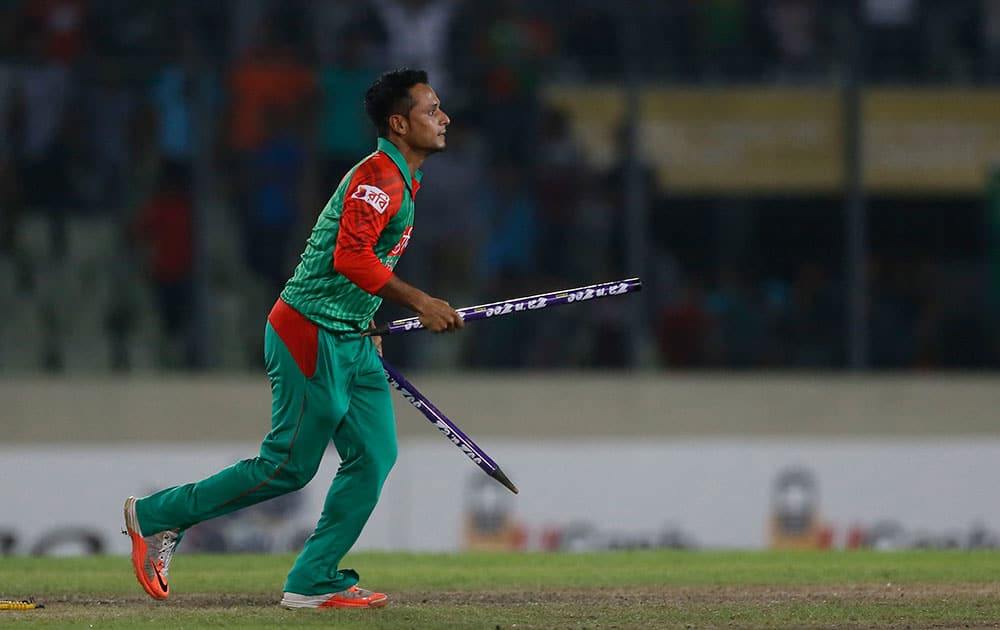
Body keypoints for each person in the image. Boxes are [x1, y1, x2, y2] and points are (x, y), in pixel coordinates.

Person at [123, 68, 464, 609]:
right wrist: (422, 303)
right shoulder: (381, 178)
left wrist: (369, 319)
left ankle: (314, 579)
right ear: (399, 124)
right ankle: (156, 515)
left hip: (353, 335)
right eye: (430, 110)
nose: (443, 118)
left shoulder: (402, 176)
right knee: (287, 467)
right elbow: (349, 257)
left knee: (374, 455)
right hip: (309, 331)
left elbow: (361, 262)